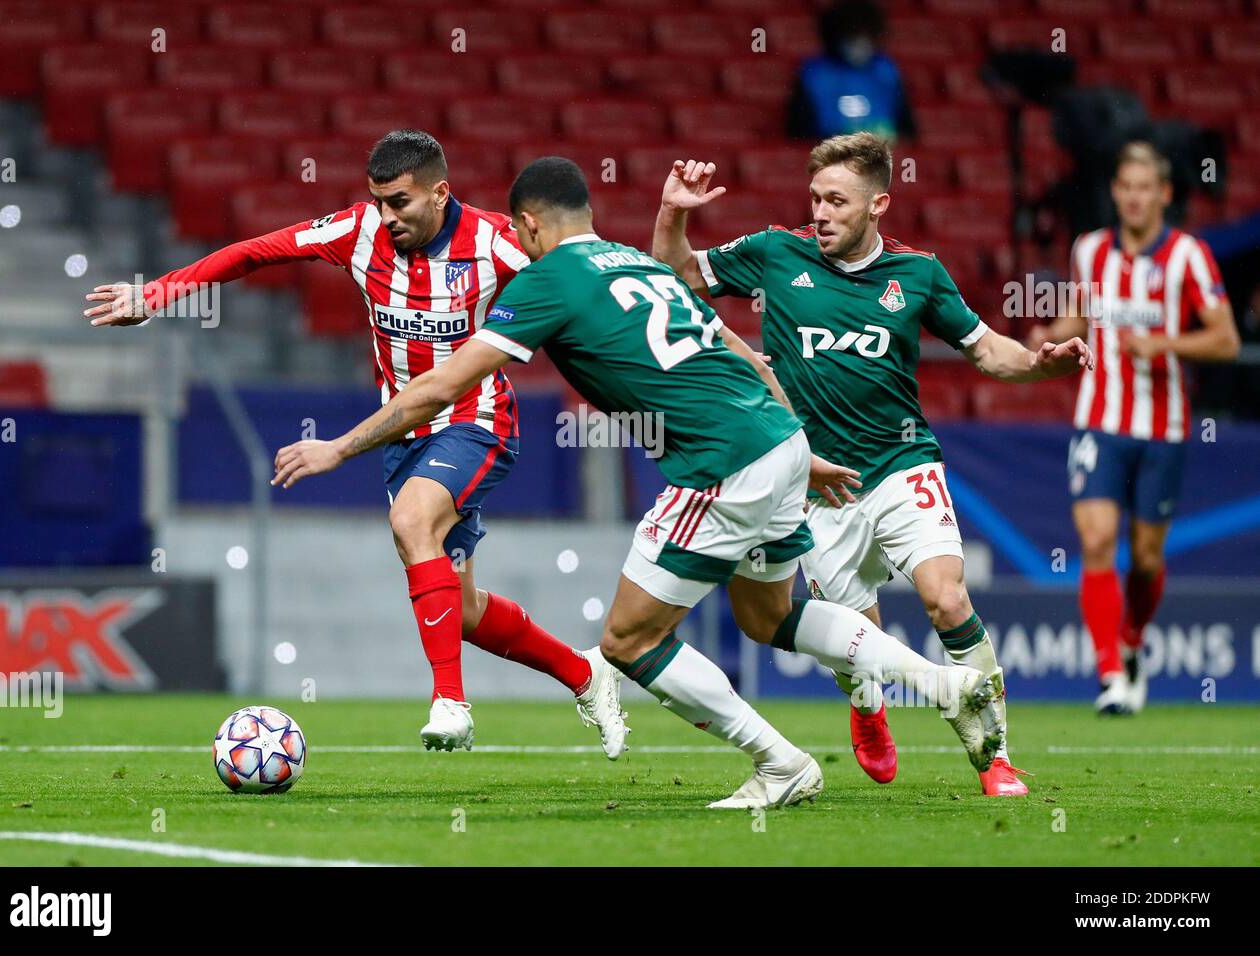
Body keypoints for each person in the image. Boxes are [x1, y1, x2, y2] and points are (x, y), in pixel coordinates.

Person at [269, 156, 1009, 808]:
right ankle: (939, 682)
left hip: (720, 464)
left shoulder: (549, 280)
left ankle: (779, 764)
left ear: (527, 227)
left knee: (626, 642)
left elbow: (439, 389)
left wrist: (339, 448)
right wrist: (798, 452)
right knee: (768, 617)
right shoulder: (638, 262)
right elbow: (748, 357)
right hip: (781, 439)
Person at [83, 130, 626, 756]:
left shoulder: (494, 242)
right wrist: (155, 295)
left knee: (411, 518)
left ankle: (451, 703)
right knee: (465, 611)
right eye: (377, 201)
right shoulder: (357, 231)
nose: (385, 216)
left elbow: (587, 277)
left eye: (399, 202)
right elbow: (255, 252)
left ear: (440, 192)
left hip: (475, 419)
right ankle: (588, 676)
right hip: (403, 434)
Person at [651, 133, 1092, 796]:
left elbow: (986, 352)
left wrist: (1037, 364)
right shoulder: (777, 252)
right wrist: (673, 213)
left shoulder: (919, 275)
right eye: (815, 198)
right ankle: (866, 708)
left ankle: (994, 754)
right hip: (815, 485)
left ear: (879, 203)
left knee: (948, 598)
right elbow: (677, 275)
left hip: (899, 463)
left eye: (837, 200)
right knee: (856, 636)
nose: (821, 212)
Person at [1027, 140, 1239, 715]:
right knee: (1097, 541)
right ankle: (1110, 675)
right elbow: (1081, 315)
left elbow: (1227, 339)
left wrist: (1164, 341)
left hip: (1163, 428)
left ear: (1164, 194)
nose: (1136, 198)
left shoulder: (1188, 256)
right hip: (1098, 422)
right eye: (1127, 187)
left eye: (1148, 188)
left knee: (1145, 559)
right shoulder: (1090, 250)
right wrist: (1047, 338)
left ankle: (1133, 640)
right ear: (1116, 192)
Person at [786, 0, 916, 143]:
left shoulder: (887, 71)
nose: (859, 47)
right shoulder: (814, 74)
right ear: (836, 38)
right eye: (852, 39)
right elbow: (798, 133)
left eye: (865, 39)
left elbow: (907, 130)